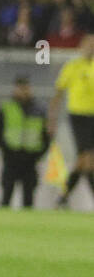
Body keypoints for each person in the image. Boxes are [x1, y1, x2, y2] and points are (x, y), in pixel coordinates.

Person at [50, 33, 94, 208]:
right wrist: (52, 119)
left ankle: (63, 197)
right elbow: (59, 93)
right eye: (89, 44)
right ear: (81, 47)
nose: (91, 48)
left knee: (84, 161)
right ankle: (63, 198)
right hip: (79, 116)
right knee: (88, 158)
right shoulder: (72, 66)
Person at [0, 77, 49, 209]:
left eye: (26, 88)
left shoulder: (40, 109)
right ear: (15, 89)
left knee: (29, 198)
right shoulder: (6, 107)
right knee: (6, 195)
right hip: (11, 157)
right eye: (21, 88)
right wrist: (6, 150)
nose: (23, 91)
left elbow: (46, 135)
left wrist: (39, 154)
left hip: (31, 159)